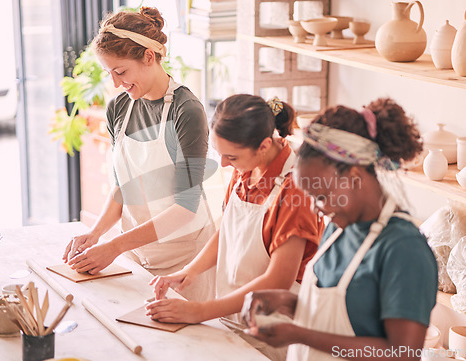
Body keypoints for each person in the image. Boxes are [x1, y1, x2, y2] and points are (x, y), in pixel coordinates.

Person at [241, 98, 439, 361]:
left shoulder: (404, 249)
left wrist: (300, 335)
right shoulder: (336, 229)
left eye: (321, 196)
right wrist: (285, 303)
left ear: (355, 176)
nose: (315, 209)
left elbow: (402, 352)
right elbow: (346, 318)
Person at [147, 94, 324, 361]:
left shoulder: (295, 189)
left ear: (264, 145)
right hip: (234, 317)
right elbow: (228, 232)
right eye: (221, 154)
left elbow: (278, 280)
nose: (225, 164)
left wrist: (200, 311)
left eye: (231, 156)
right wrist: (189, 271)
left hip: (273, 328)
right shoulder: (247, 167)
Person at [62, 8, 216, 302]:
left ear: (149, 57)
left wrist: (114, 246)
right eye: (110, 74)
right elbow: (121, 189)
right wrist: (95, 235)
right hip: (134, 256)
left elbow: (186, 208)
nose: (116, 83)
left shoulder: (187, 112)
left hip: (182, 261)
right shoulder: (119, 108)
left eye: (121, 72)